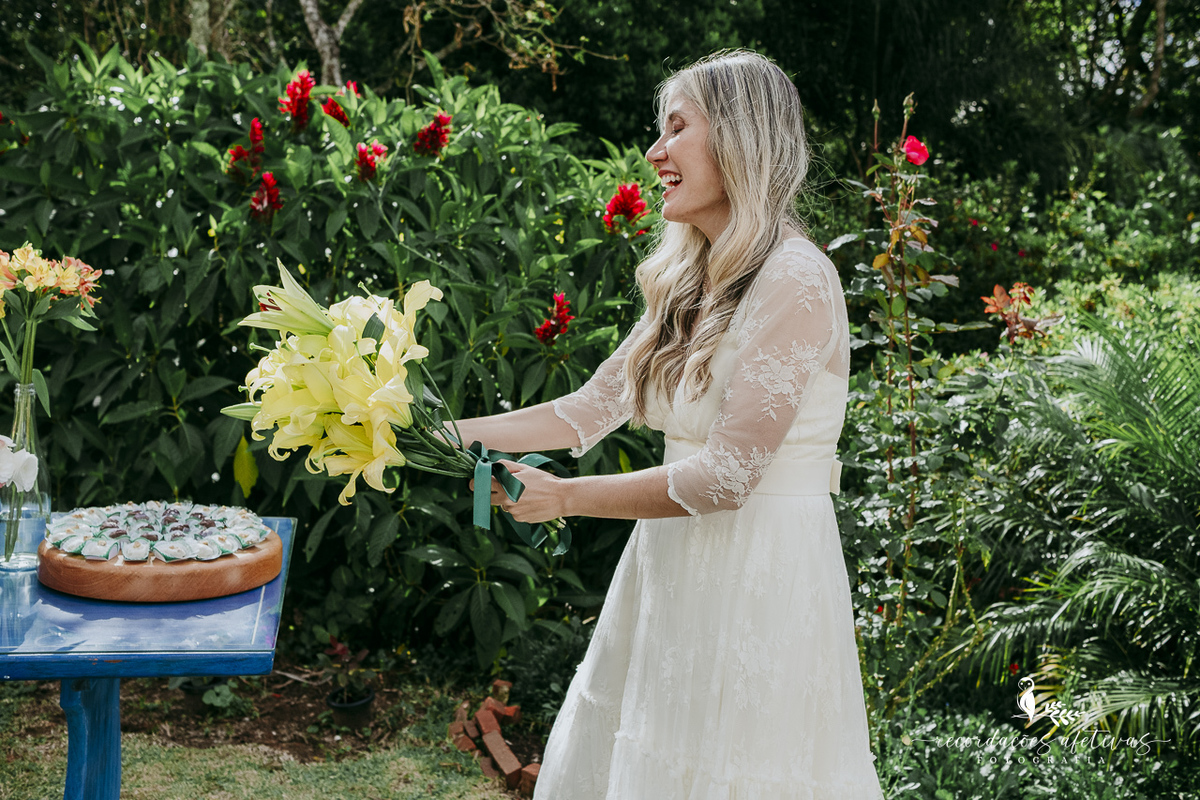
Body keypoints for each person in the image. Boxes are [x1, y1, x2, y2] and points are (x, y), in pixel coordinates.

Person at [449, 49, 884, 799]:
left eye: (676, 129)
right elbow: (584, 410)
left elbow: (729, 476)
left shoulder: (797, 277)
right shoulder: (690, 278)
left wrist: (564, 497)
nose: (655, 153)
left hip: (763, 579)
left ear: (740, 139)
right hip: (670, 572)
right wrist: (442, 433)